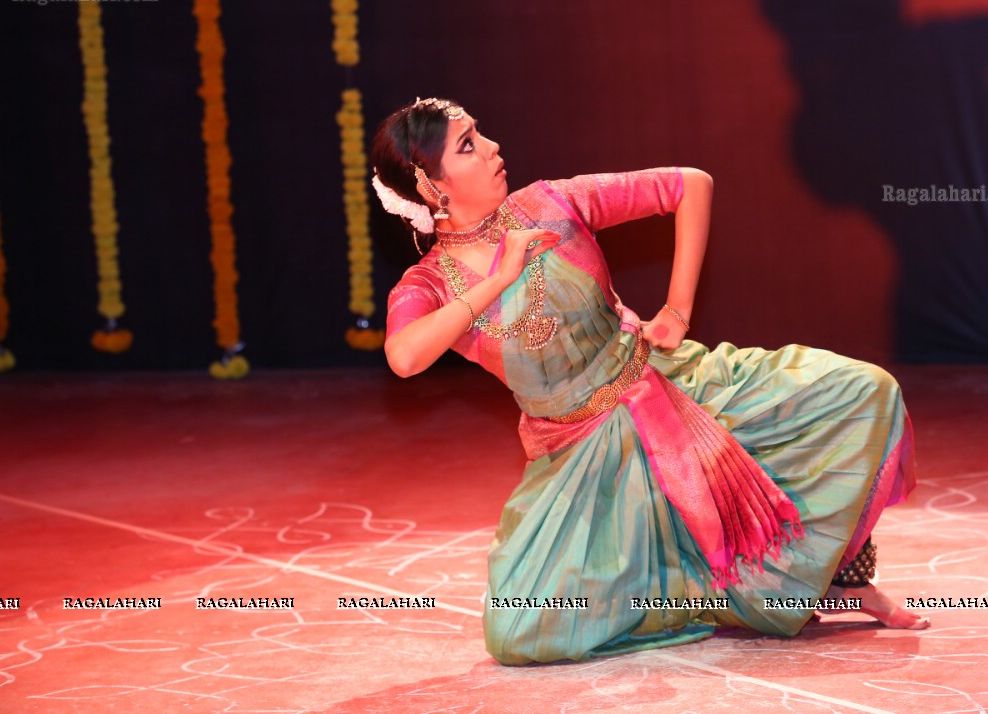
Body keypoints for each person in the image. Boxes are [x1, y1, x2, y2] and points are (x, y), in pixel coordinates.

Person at [373, 97, 925, 666]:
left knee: (863, 392)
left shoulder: (550, 204)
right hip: (585, 459)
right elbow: (405, 357)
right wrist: (500, 276)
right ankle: (706, 595)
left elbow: (689, 184)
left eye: (480, 134)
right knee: (518, 630)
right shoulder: (429, 283)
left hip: (670, 390)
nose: (491, 148)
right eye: (467, 145)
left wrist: (678, 310)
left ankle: (845, 579)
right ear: (431, 185)